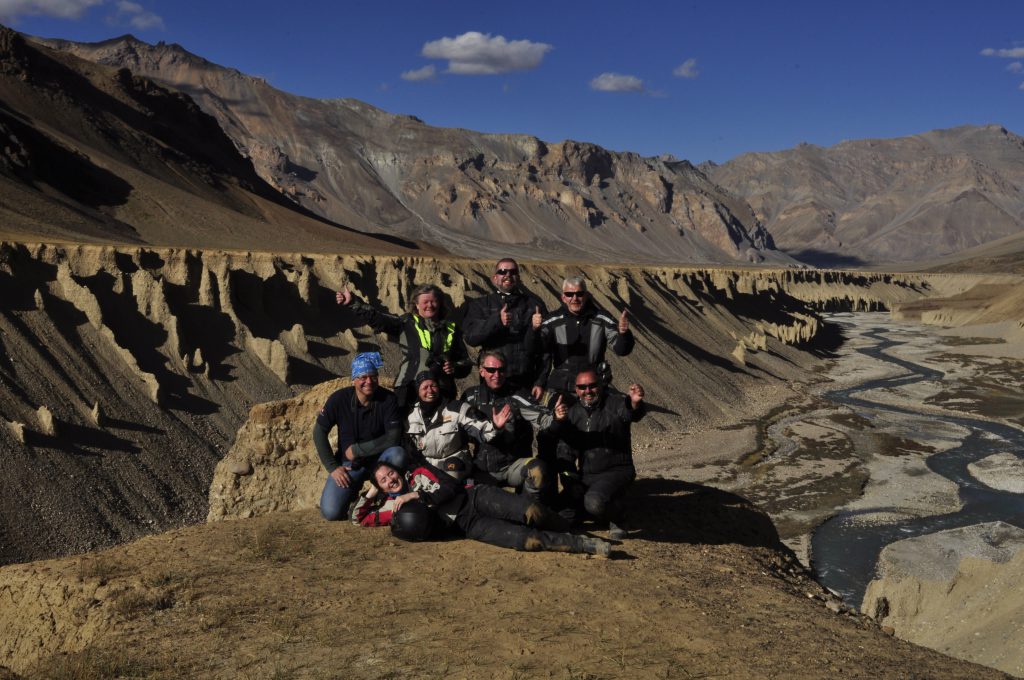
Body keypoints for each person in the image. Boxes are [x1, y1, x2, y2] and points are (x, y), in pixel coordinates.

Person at [351, 458, 612, 557]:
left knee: (531, 512)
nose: (390, 480)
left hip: (475, 497)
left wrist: (416, 495)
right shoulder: (390, 506)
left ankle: (577, 531)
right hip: (469, 525)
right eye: (384, 480)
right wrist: (372, 490)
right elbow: (358, 518)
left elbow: (450, 487)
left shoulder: (418, 473)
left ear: (397, 470)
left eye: (390, 474)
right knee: (528, 540)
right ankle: (582, 546)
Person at [336, 283, 472, 408]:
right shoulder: (406, 323)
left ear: (440, 304)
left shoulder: (451, 329)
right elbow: (378, 319)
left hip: (442, 390)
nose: (429, 305)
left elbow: (466, 362)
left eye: (433, 301)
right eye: (425, 302)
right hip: (408, 389)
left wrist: (455, 367)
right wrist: (353, 303)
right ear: (417, 305)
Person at [551, 367, 646, 540]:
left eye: (592, 385)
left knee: (594, 503)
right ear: (576, 390)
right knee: (561, 513)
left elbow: (630, 413)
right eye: (582, 387)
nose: (587, 391)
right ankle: (593, 511)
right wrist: (571, 481)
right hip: (587, 476)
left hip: (617, 471)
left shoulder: (615, 403)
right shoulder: (573, 413)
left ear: (601, 385)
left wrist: (634, 403)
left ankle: (619, 518)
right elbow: (565, 451)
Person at [313, 352, 406, 521]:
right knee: (331, 512)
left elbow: (393, 437)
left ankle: (381, 496)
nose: (368, 381)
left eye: (373, 376)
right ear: (354, 380)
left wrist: (357, 450)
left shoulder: (388, 400)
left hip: (380, 463)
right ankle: (355, 497)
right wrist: (333, 467)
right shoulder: (338, 399)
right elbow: (319, 432)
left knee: (397, 454)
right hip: (350, 466)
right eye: (363, 377)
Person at [461, 350, 554, 501]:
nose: (497, 375)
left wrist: (558, 417)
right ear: (481, 371)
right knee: (460, 481)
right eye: (491, 370)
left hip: (513, 465)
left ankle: (527, 510)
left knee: (537, 471)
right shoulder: (470, 396)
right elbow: (459, 432)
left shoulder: (517, 394)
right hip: (482, 468)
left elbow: (543, 418)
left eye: (501, 370)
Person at [533, 276, 633, 397]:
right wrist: (534, 330)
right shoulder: (553, 321)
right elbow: (536, 349)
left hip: (592, 388)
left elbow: (622, 350)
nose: (575, 298)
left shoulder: (601, 319)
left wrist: (624, 334)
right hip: (561, 388)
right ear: (563, 297)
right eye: (569, 294)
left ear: (586, 295)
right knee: (556, 415)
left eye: (579, 294)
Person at [406, 371, 511, 480]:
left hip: (456, 461)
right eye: (425, 387)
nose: (430, 390)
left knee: (449, 480)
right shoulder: (411, 415)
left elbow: (483, 430)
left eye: (433, 386)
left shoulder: (456, 408)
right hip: (428, 464)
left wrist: (496, 426)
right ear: (418, 391)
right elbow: (409, 447)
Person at [462, 258, 548, 392]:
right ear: (495, 278)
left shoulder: (534, 305)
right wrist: (496, 321)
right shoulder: (480, 305)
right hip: (492, 382)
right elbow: (471, 337)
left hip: (526, 382)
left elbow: (545, 350)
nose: (508, 275)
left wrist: (540, 382)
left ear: (518, 277)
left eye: (512, 272)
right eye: (502, 271)